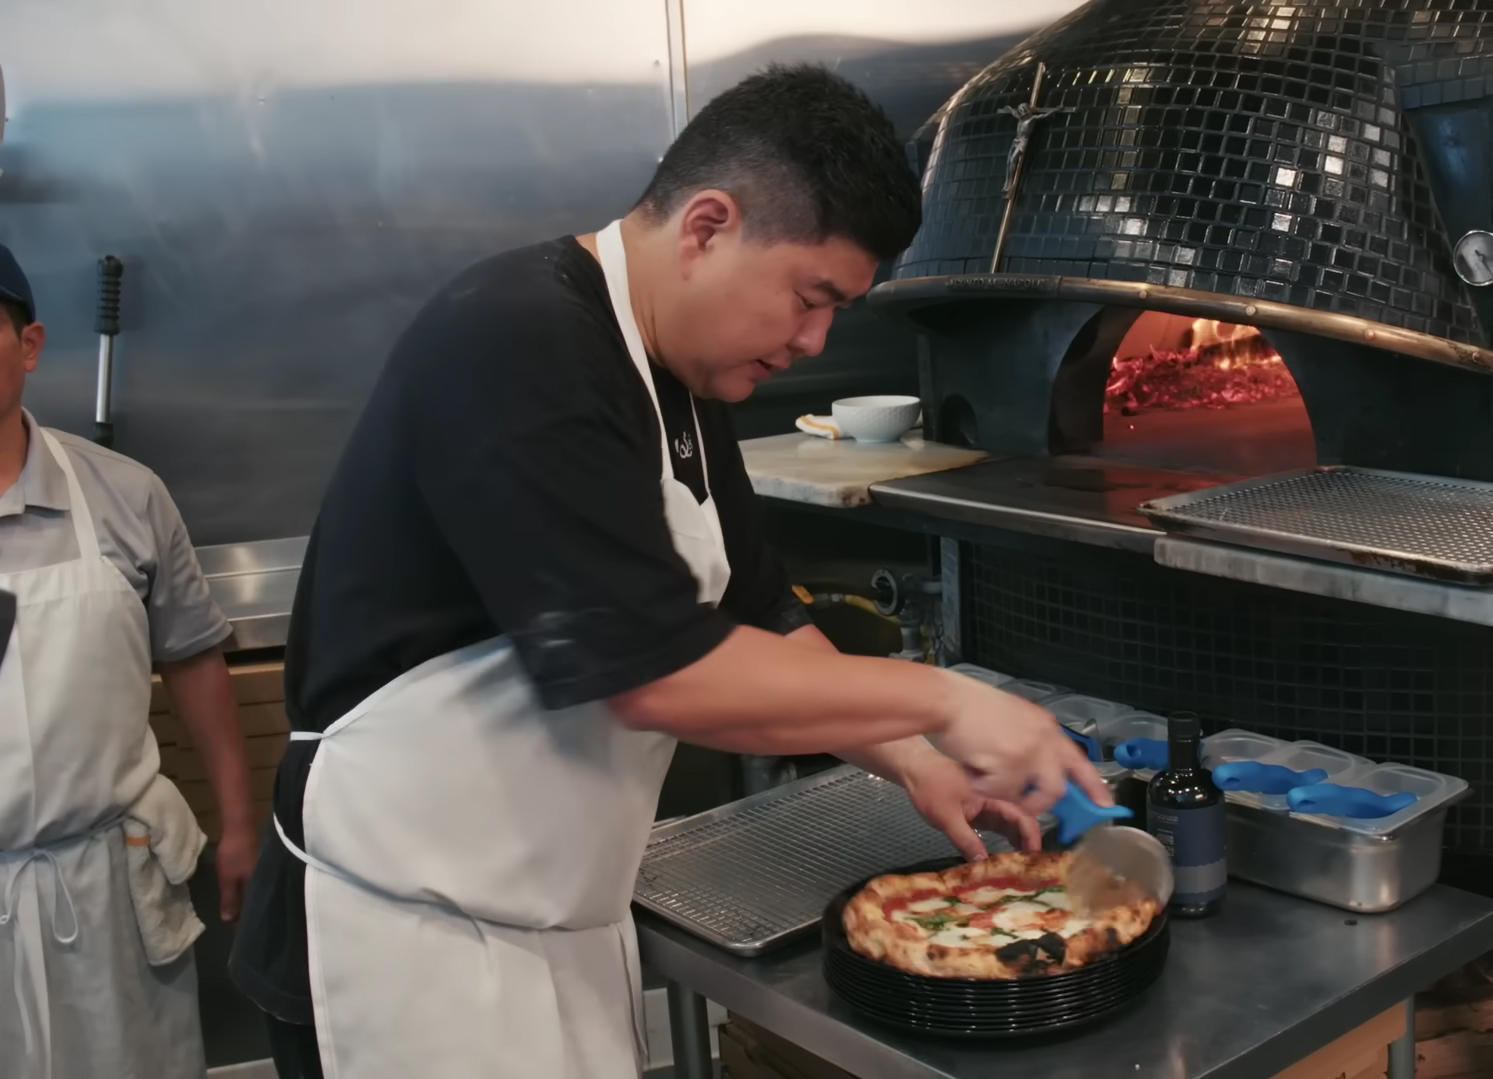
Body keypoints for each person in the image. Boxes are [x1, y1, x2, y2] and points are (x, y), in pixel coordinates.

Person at [229, 64, 1106, 1078]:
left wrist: (913, 757)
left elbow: (761, 612)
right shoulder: (516, 337)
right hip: (405, 938)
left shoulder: (677, 378)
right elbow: (651, 670)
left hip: (548, 920)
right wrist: (945, 697)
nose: (816, 339)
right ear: (705, 226)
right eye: (810, 298)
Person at [0, 242, 259, 1079]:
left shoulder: (124, 494)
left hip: (112, 883)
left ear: (29, 345)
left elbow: (190, 656)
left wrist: (238, 822)